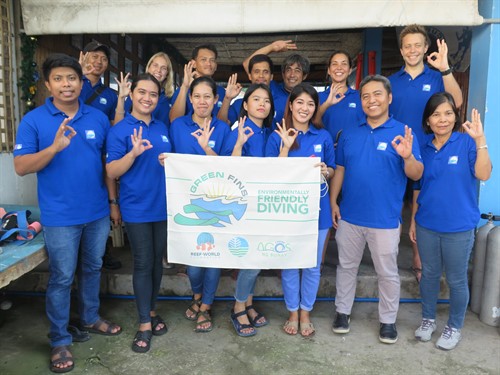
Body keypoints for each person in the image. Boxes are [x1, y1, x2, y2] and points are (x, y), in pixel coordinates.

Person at [13, 53, 122, 373]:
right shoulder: (34, 120)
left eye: (71, 78)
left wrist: (113, 203)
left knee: (92, 268)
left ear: (81, 81)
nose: (66, 84)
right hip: (60, 216)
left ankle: (90, 317)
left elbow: (107, 167)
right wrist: (52, 149)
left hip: (97, 211)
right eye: (58, 79)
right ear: (48, 84)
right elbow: (20, 167)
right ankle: (59, 339)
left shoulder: (97, 118)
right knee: (61, 277)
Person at [330, 75, 423, 344]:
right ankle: (342, 312)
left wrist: (407, 156)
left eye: (377, 94)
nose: (372, 100)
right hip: (350, 216)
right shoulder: (349, 133)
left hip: (384, 218)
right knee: (346, 267)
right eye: (366, 96)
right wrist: (334, 201)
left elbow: (416, 173)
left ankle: (388, 321)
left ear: (389, 98)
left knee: (387, 272)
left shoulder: (403, 132)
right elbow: (340, 170)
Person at [409, 93, 491, 350]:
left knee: (456, 279)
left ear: (455, 117)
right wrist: (413, 220)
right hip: (427, 225)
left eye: (447, 113)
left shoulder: (467, 143)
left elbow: (483, 173)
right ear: (428, 121)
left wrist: (481, 140)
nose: (442, 119)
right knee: (429, 275)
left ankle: (454, 326)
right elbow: (418, 189)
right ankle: (428, 320)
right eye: (436, 114)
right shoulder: (423, 148)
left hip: (459, 226)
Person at [388, 24, 463, 280]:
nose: (412, 50)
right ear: (401, 50)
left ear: (425, 48)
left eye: (417, 45)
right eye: (407, 45)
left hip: (428, 153)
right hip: (396, 154)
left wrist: (445, 67)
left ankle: (418, 260)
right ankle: (387, 255)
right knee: (395, 204)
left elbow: (457, 101)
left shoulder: (436, 77)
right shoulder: (390, 82)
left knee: (421, 205)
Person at [106, 73, 171, 353]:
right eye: (142, 92)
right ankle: (144, 323)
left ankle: (151, 310)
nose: (147, 98)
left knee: (156, 261)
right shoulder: (120, 130)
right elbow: (110, 171)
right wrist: (132, 154)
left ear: (158, 99)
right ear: (131, 94)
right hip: (137, 207)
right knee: (143, 262)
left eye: (153, 94)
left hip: (164, 206)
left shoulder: (162, 127)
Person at [265, 83, 335, 337]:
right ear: (291, 105)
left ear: (315, 108)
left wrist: (326, 171)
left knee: (312, 265)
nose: (305, 108)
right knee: (290, 264)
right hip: (287, 213)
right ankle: (292, 311)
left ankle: (306, 311)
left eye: (310, 103)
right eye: (300, 102)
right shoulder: (276, 136)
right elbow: (270, 175)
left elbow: (333, 170)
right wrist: (285, 146)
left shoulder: (323, 136)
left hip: (319, 211)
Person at [169, 76, 230, 332]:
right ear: (190, 98)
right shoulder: (177, 125)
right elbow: (171, 157)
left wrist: (207, 149)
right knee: (193, 262)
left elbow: (229, 168)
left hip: (216, 203)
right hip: (186, 204)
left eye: (208, 96)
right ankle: (197, 295)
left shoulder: (224, 128)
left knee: (213, 258)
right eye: (197, 96)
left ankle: (206, 305)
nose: (202, 101)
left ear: (216, 100)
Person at [220, 83, 275, 337]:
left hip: (265, 205)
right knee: (250, 260)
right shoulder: (238, 131)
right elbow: (226, 170)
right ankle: (238, 307)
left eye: (266, 100)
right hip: (243, 206)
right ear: (245, 104)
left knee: (258, 258)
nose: (262, 104)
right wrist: (239, 143)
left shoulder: (272, 132)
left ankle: (249, 304)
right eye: (256, 99)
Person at [79, 40, 122, 270]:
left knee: (101, 198)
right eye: (94, 56)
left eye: (103, 59)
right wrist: (78, 74)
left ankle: (102, 251)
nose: (98, 61)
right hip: (72, 152)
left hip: (100, 154)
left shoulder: (111, 95)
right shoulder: (73, 85)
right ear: (83, 57)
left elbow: (117, 126)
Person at [242, 40, 310, 126]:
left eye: (297, 70)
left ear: (304, 76)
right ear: (283, 74)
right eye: (288, 70)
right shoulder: (272, 87)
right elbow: (248, 64)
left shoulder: (308, 97)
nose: (292, 75)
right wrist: (271, 48)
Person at [315, 50, 364, 147]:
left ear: (350, 70)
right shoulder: (318, 97)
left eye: (344, 64)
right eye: (334, 64)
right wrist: (327, 104)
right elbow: (313, 121)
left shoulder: (360, 96)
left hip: (354, 150)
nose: (339, 68)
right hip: (327, 151)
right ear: (329, 70)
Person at [115, 52, 175, 129]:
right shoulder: (137, 93)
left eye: (163, 68)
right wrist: (121, 97)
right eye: (155, 65)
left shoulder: (170, 98)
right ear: (148, 67)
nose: (158, 70)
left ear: (167, 73)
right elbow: (119, 123)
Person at [169, 44, 225, 122]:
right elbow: (174, 120)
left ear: (216, 66)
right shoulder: (183, 89)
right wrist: (185, 87)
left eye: (212, 60)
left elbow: (224, 124)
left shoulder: (222, 92)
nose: (208, 64)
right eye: (203, 59)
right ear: (193, 64)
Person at [217, 54, 273, 126]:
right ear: (249, 76)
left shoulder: (282, 98)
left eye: (265, 72)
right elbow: (220, 126)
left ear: (271, 76)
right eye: (256, 71)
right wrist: (227, 98)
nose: (261, 75)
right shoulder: (241, 103)